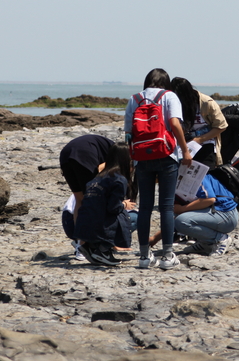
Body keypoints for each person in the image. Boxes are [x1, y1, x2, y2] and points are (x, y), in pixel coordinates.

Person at [125, 68, 191, 270]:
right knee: (166, 206)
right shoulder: (169, 96)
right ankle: (168, 256)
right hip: (166, 155)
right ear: (166, 83)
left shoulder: (134, 98)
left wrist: (133, 158)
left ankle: (144, 256)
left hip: (142, 158)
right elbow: (174, 124)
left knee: (145, 207)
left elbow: (129, 134)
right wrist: (185, 151)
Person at [74, 143, 134, 266]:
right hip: (99, 226)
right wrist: (124, 205)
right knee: (133, 217)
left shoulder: (97, 177)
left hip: (83, 225)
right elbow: (113, 208)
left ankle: (91, 247)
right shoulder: (119, 179)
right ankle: (103, 249)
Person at [59, 134, 115, 259]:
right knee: (91, 202)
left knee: (80, 199)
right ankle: (85, 246)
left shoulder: (107, 145)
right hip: (84, 154)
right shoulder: (121, 153)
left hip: (66, 153)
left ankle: (80, 245)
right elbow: (102, 168)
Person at [174, 174, 239, 257]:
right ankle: (207, 243)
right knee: (180, 218)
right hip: (216, 214)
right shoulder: (176, 181)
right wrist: (155, 239)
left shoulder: (195, 175)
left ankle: (221, 238)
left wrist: (182, 209)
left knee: (182, 221)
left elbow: (209, 200)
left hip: (226, 215)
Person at [170, 77, 228, 168]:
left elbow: (221, 126)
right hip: (182, 146)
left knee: (205, 176)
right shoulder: (174, 104)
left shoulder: (207, 103)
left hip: (206, 144)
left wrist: (199, 139)